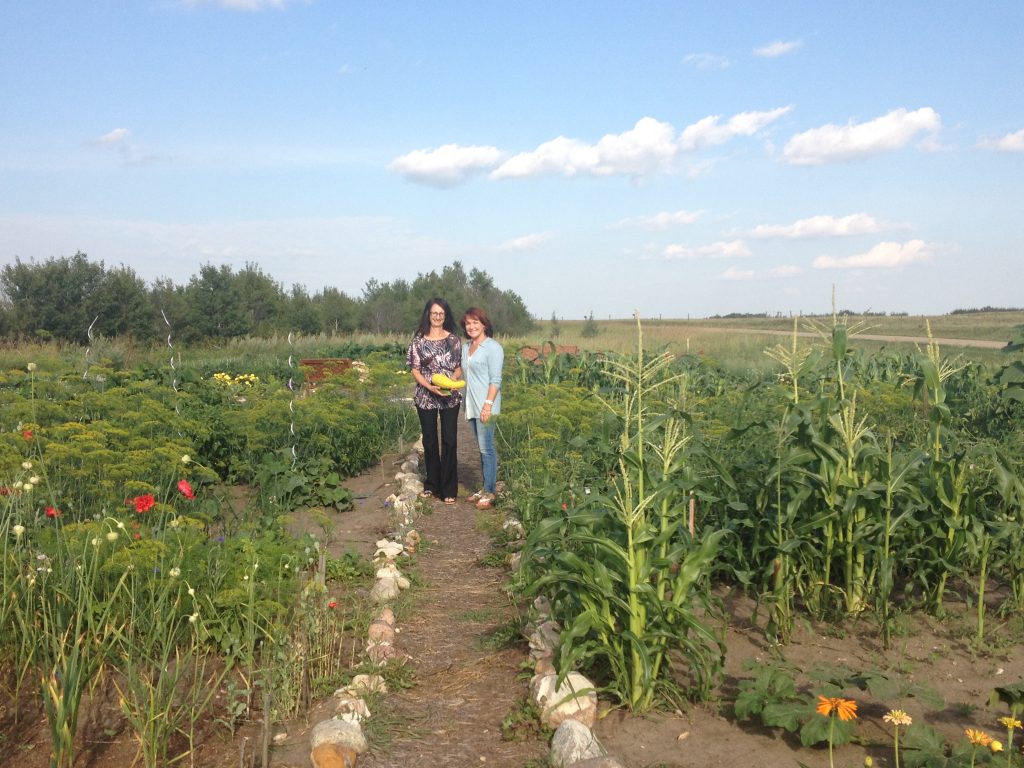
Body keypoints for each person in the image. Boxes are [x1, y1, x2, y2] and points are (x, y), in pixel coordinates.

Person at [406, 298, 462, 504]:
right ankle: (432, 484)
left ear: (445, 316)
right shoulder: (418, 341)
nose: (437, 317)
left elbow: (458, 367)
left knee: (449, 440)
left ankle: (449, 489)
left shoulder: (454, 340)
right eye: (434, 313)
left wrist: (452, 381)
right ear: (428, 315)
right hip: (425, 395)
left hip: (449, 395)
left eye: (441, 314)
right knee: (429, 440)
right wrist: (429, 386)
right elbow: (415, 369)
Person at [460, 306, 504, 510]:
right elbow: (460, 372)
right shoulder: (466, 347)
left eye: (475, 322)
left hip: (486, 407)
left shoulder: (493, 348)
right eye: (468, 323)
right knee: (481, 448)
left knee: (487, 449)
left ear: (484, 324)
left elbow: (495, 380)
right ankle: (485, 486)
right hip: (470, 405)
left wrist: (488, 405)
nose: (471, 326)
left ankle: (490, 491)